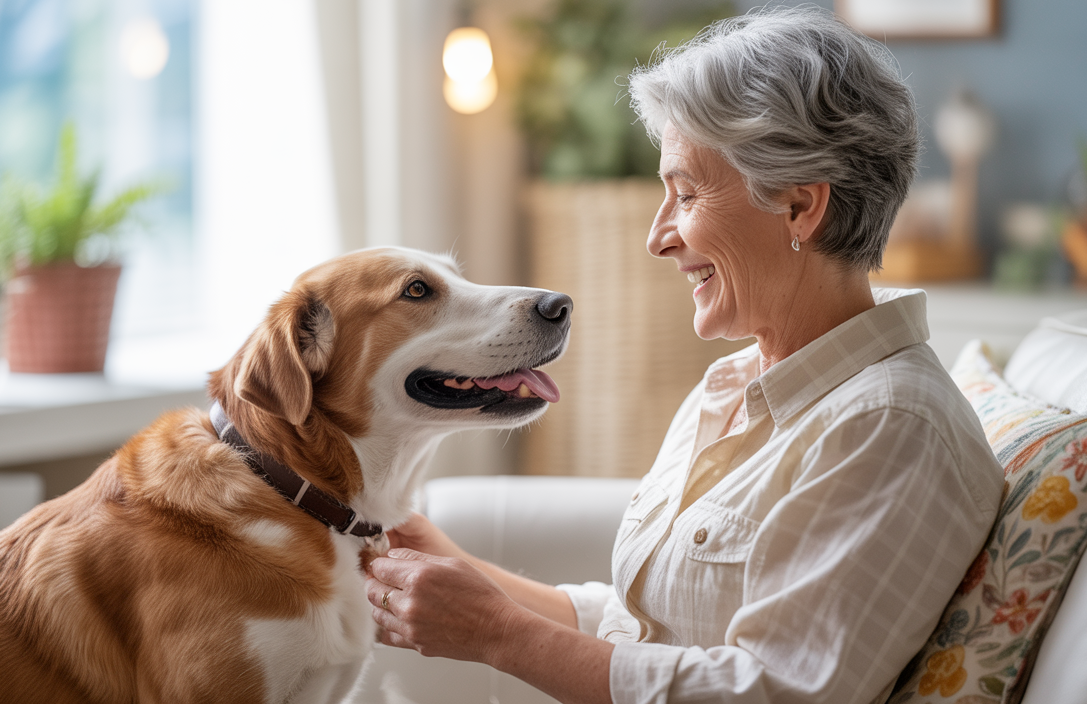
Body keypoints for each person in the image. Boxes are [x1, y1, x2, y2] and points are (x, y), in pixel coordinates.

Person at [363, 6, 1004, 703]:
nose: (657, 237)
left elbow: (773, 692)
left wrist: (498, 635)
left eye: (687, 193)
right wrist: (458, 570)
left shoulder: (889, 425)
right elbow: (648, 633)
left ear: (799, 207)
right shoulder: (734, 387)